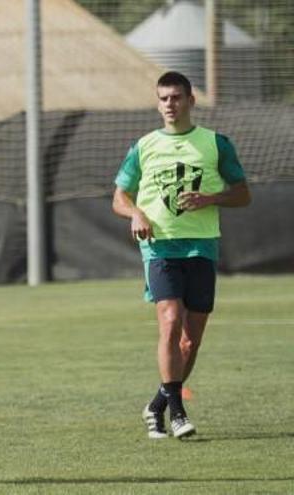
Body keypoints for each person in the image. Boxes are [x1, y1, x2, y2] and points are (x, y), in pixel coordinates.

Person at [112, 71, 250, 440]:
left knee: (191, 341)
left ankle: (157, 405)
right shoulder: (143, 146)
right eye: (163, 98)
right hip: (160, 246)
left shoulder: (216, 144)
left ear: (191, 100)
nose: (169, 105)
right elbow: (119, 197)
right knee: (170, 320)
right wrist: (137, 214)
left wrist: (210, 199)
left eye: (175, 97)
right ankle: (177, 413)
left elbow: (242, 194)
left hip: (202, 245)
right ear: (157, 103)